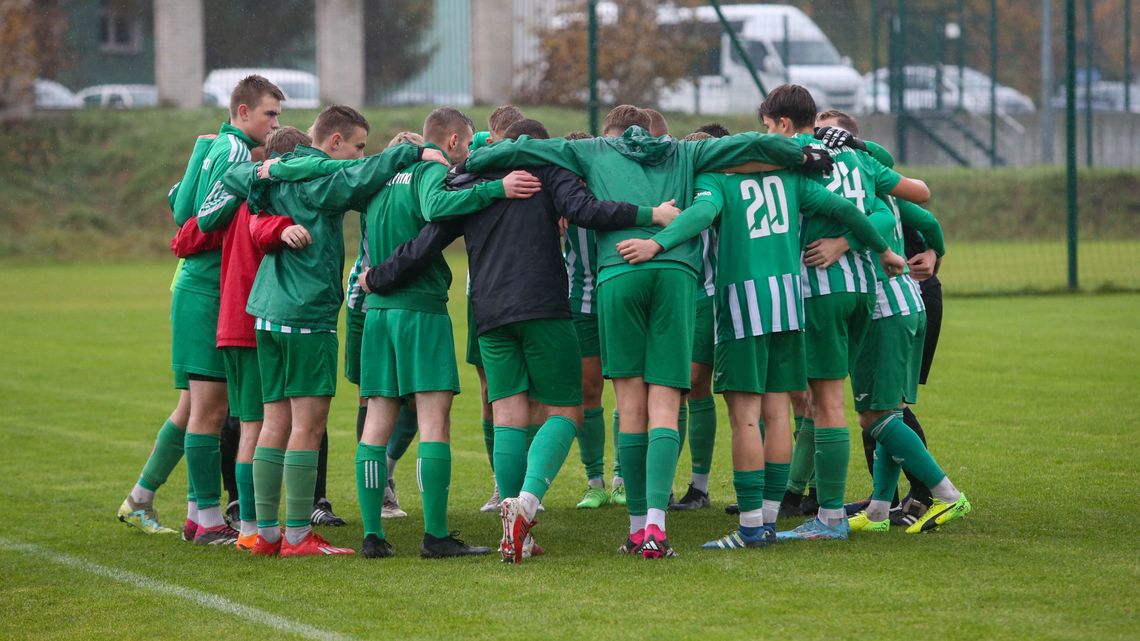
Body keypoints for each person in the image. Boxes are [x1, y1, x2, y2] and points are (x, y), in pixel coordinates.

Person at [464, 104, 832, 558]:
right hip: (676, 275)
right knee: (664, 405)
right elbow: (750, 144)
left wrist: (476, 158)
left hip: (618, 272)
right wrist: (803, 153)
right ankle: (656, 528)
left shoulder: (592, 151)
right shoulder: (685, 152)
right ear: (655, 131)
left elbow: (520, 149)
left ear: (613, 133)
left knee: (630, 406)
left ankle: (634, 527)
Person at [362, 118, 680, 562]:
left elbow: (428, 240)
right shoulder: (545, 169)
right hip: (543, 306)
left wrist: (378, 275)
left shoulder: (469, 177)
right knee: (567, 411)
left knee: (508, 414)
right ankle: (526, 504)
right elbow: (588, 210)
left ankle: (517, 532)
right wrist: (652, 215)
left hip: (489, 313)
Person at [260, 106, 539, 558]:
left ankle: (373, 535)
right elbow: (438, 206)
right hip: (420, 312)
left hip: (376, 314)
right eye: (464, 145)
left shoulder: (374, 180)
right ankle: (435, 536)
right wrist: (496, 188)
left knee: (376, 423)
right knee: (434, 421)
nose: (465, 153)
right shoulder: (428, 173)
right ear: (449, 143)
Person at [615, 156, 903, 550]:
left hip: (741, 308)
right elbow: (845, 208)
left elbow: (701, 214)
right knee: (777, 413)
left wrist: (655, 243)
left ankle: (751, 528)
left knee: (745, 418)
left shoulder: (716, 180)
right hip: (789, 306)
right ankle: (769, 518)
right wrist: (884, 250)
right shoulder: (791, 181)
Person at [220, 105, 438, 557]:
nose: (360, 154)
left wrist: (272, 166)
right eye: (357, 145)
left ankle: (263, 533)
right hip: (305, 314)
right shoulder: (324, 176)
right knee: (308, 425)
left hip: (264, 311)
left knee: (273, 422)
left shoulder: (280, 172)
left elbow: (234, 179)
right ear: (334, 141)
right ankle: (299, 536)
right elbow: (364, 175)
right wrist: (415, 154)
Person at [752, 85, 931, 541]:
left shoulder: (790, 157)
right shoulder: (855, 157)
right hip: (863, 292)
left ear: (784, 125)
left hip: (819, 289)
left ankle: (829, 516)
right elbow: (892, 208)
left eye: (769, 127)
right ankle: (867, 504)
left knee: (825, 406)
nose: (767, 135)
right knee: (856, 407)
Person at [117, 75, 283, 545]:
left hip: (199, 284)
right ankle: (206, 518)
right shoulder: (233, 153)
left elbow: (178, 202)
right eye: (269, 114)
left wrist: (196, 153)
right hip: (208, 286)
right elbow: (198, 216)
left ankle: (154, 501)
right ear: (242, 111)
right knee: (210, 407)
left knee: (194, 406)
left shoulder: (217, 146)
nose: (275, 124)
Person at [342, 131, 427, 522]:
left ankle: (387, 471)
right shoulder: (374, 185)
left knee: (411, 398)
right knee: (373, 397)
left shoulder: (417, 185)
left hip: (400, 299)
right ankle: (379, 494)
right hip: (367, 301)